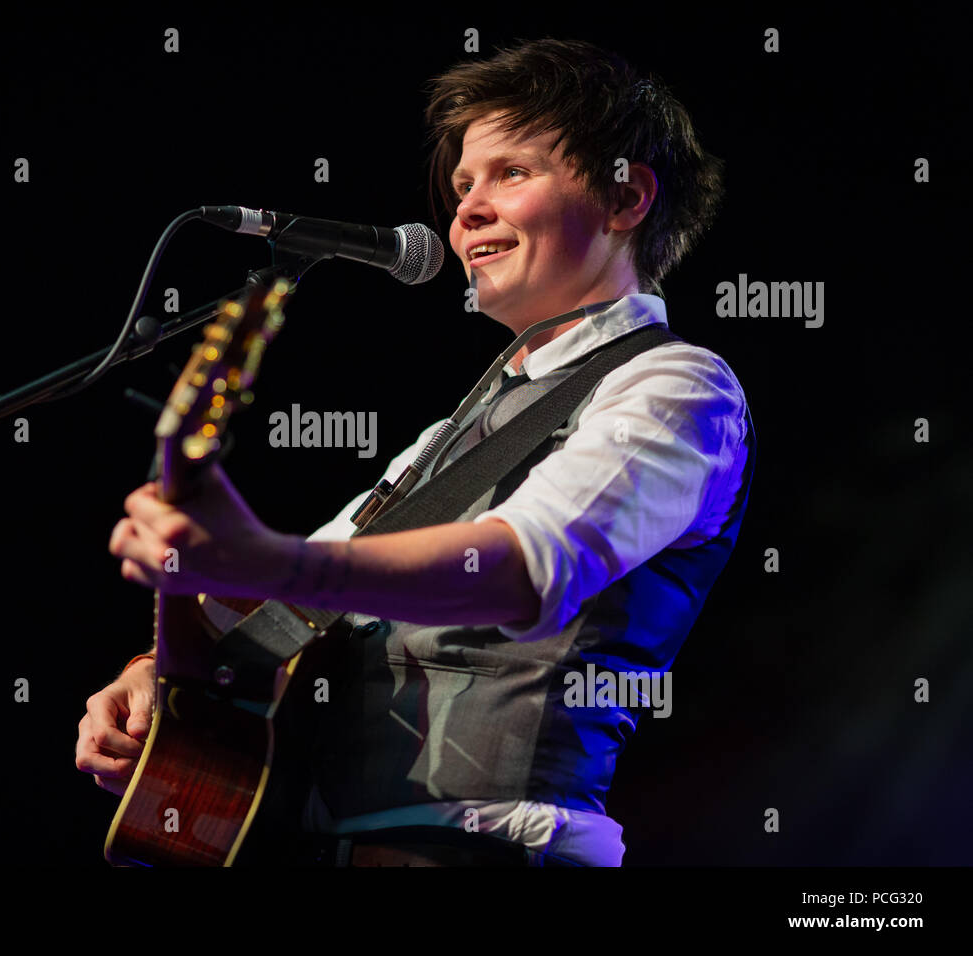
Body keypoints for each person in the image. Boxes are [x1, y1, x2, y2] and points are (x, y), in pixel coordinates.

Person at [76, 37, 753, 866]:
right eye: (463, 184)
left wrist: (266, 562)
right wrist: (152, 669)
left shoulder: (680, 388)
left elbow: (520, 566)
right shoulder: (455, 428)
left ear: (626, 198)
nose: (464, 210)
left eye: (511, 173)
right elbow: (294, 585)